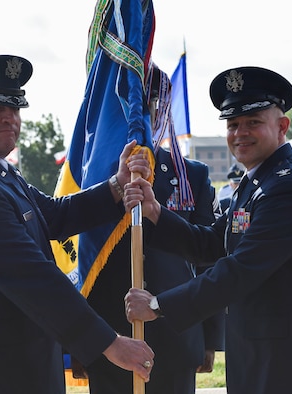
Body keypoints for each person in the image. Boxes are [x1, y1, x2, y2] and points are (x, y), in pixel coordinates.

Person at [0, 55, 154, 394]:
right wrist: (111, 343)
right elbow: (35, 279)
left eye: (15, 109)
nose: (10, 118)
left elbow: (53, 214)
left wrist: (117, 185)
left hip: (24, 360)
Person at [123, 66, 292, 394]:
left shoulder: (288, 191)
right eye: (233, 124)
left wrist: (159, 306)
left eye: (253, 123)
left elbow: (237, 272)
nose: (240, 133)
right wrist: (156, 212)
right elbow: (212, 243)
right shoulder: (258, 183)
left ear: (282, 126)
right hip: (262, 355)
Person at [80, 65, 224, 394]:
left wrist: (210, 338)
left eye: (151, 106)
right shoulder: (93, 180)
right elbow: (81, 257)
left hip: (176, 334)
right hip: (109, 338)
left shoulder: (191, 176)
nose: (143, 115)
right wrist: (83, 342)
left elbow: (208, 259)